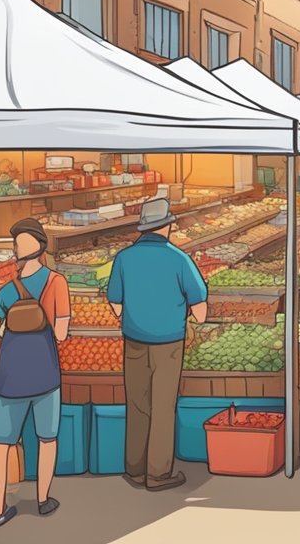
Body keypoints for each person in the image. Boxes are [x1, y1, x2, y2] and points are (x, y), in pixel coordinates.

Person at [107, 198, 208, 491]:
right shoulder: (179, 259)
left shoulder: (124, 258)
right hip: (169, 343)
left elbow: (114, 301)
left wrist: (131, 316)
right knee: (163, 408)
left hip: (134, 341)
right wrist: (189, 316)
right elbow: (199, 308)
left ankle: (135, 469)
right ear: (167, 227)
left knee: (138, 405)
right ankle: (158, 474)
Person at [0, 218, 70, 529]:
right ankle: (43, 499)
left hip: (9, 378)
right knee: (47, 439)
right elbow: (60, 333)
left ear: (23, 249)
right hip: (45, 375)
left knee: (0, 445)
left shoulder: (6, 291)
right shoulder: (57, 283)